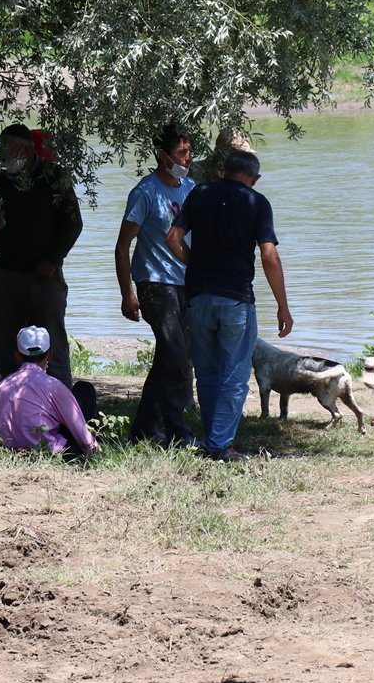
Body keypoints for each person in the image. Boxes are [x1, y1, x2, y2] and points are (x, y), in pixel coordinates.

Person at [165, 150, 294, 462]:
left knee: (207, 373)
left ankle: (214, 439)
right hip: (236, 299)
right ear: (254, 178)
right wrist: (282, 306)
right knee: (234, 376)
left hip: (198, 298)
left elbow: (172, 237)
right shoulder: (257, 202)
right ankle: (220, 446)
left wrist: (194, 264)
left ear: (223, 171)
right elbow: (268, 255)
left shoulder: (200, 193)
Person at [0, 124, 83, 387]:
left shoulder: (54, 177)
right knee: (8, 344)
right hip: (5, 276)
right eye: (0, 150)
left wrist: (52, 260)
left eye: (7, 150)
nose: (2, 156)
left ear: (26, 150)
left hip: (43, 276)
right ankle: (8, 406)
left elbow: (73, 223)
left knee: (52, 341)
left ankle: (61, 404)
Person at [114, 124, 196, 446]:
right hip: (153, 283)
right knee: (175, 355)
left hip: (184, 282)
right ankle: (178, 433)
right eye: (181, 153)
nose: (187, 158)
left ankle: (143, 428)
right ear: (163, 156)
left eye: (189, 152)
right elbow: (122, 247)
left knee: (169, 356)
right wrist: (127, 295)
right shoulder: (145, 192)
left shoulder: (190, 187)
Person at [0, 326, 100, 459]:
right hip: (49, 453)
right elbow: (80, 430)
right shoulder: (54, 386)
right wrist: (93, 448)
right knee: (84, 389)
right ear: (50, 355)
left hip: (10, 452)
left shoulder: (1, 387)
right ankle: (96, 445)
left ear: (17, 355)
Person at [189, 127, 257, 184]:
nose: (242, 160)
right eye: (238, 153)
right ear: (221, 152)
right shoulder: (194, 172)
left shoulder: (239, 176)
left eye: (245, 155)